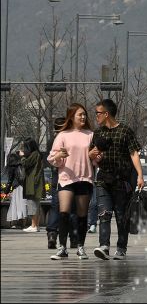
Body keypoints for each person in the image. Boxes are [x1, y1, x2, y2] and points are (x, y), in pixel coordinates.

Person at [88, 99, 144, 260]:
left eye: (98, 113)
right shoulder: (98, 133)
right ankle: (104, 246)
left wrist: (140, 175)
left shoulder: (125, 131)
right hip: (103, 179)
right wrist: (92, 156)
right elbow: (92, 156)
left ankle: (121, 248)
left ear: (106, 114)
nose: (96, 116)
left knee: (121, 216)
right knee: (104, 214)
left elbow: (134, 153)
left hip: (122, 181)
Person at [47, 103, 95, 260]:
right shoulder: (62, 135)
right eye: (79, 114)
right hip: (66, 179)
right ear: (71, 117)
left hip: (84, 178)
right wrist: (59, 157)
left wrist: (96, 157)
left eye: (84, 114)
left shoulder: (90, 135)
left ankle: (80, 247)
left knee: (82, 215)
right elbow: (52, 158)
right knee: (64, 213)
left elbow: (96, 160)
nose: (83, 117)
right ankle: (62, 248)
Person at [46, 117, 79, 249]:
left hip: (56, 176)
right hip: (70, 176)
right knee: (72, 208)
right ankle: (74, 237)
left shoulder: (51, 141)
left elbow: (47, 161)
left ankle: (52, 233)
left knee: (56, 206)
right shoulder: (69, 139)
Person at [19, 138, 45, 232]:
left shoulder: (34, 154)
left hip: (33, 182)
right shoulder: (37, 154)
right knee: (35, 204)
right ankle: (36, 225)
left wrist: (22, 157)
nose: (24, 149)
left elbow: (26, 164)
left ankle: (33, 225)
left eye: (25, 147)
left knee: (32, 203)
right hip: (35, 182)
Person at [4, 150, 27, 227]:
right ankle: (23, 223)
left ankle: (16, 223)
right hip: (23, 186)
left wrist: (6, 191)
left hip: (16, 187)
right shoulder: (21, 165)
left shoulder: (12, 167)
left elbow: (10, 180)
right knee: (22, 204)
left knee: (16, 205)